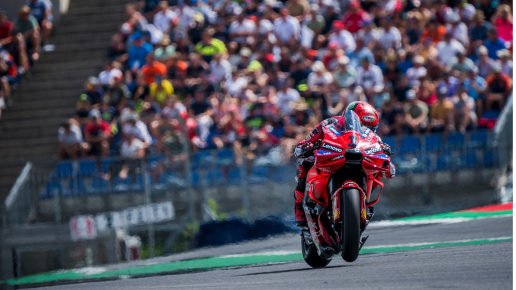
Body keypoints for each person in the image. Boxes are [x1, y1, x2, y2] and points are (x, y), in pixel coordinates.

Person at [292, 101, 394, 226]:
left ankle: (364, 203)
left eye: (371, 128)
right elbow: (306, 141)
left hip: (359, 159)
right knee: (305, 164)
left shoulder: (371, 134)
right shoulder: (328, 123)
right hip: (332, 156)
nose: (367, 130)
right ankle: (299, 208)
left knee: (377, 171)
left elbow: (380, 146)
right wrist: (306, 146)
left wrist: (386, 153)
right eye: (364, 125)